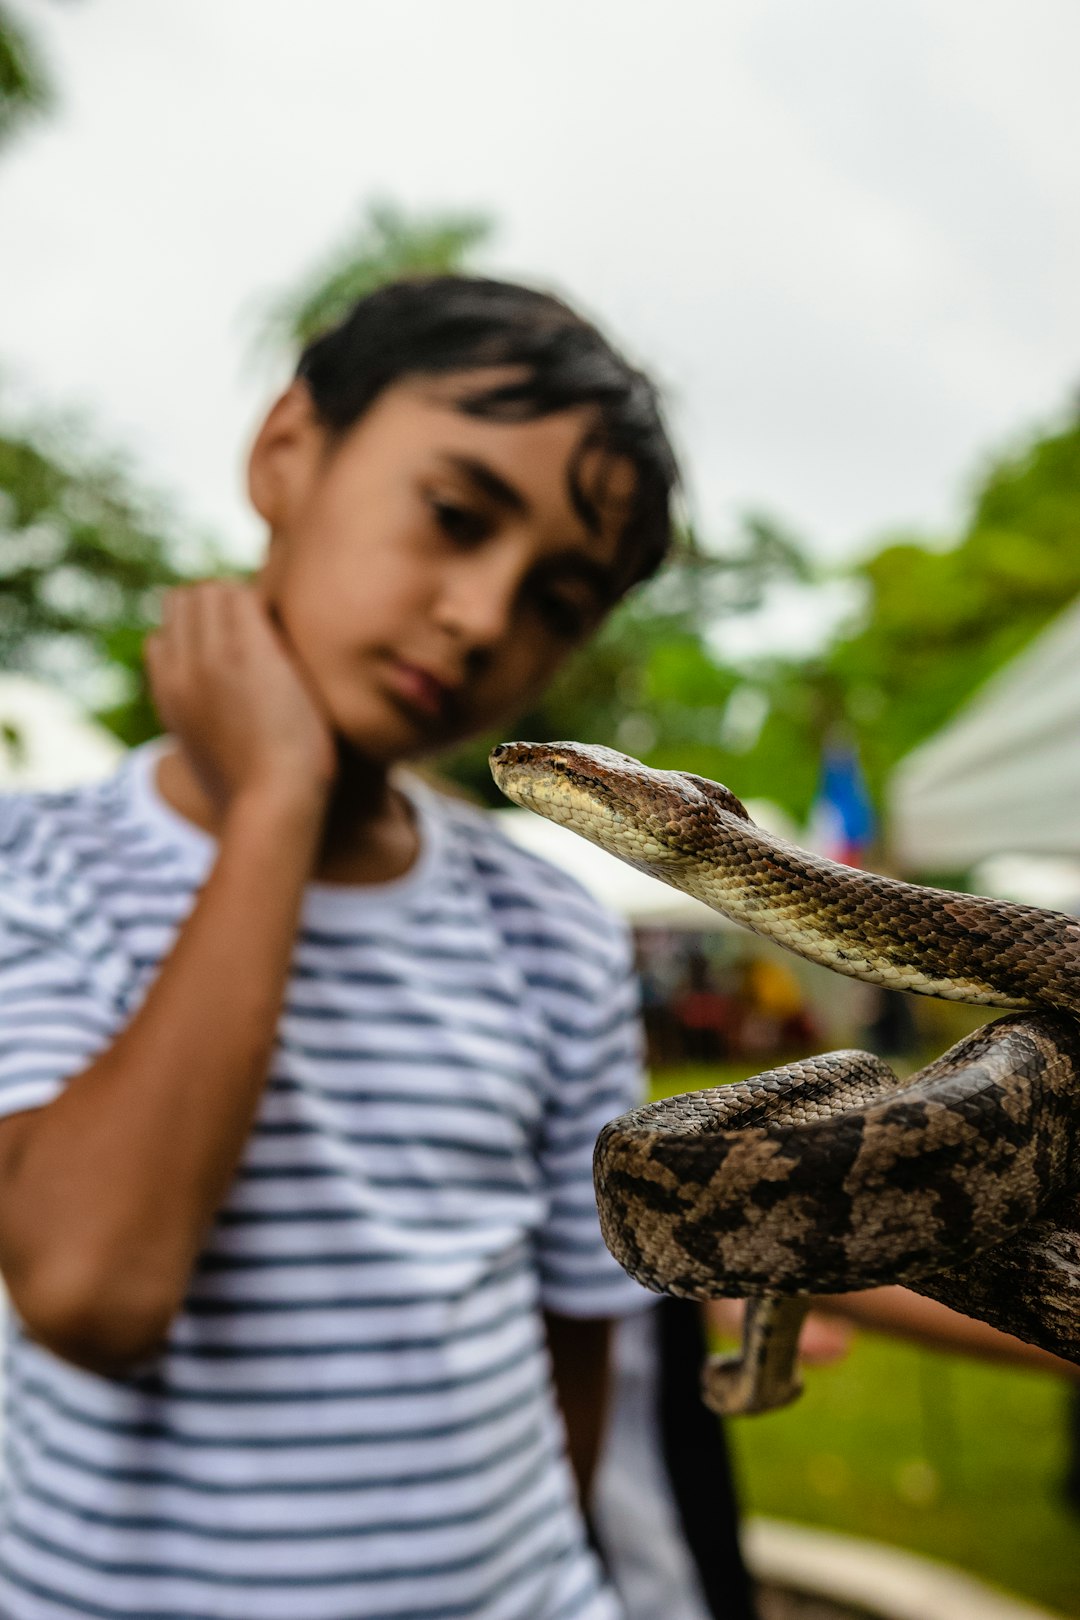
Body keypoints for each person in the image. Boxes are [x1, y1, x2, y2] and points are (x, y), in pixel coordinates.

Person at [0, 276, 680, 1619]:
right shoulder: (37, 866)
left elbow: (572, 1362)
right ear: (287, 451)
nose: (482, 618)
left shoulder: (549, 932)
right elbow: (90, 1286)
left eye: (557, 598)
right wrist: (273, 806)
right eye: (454, 516)